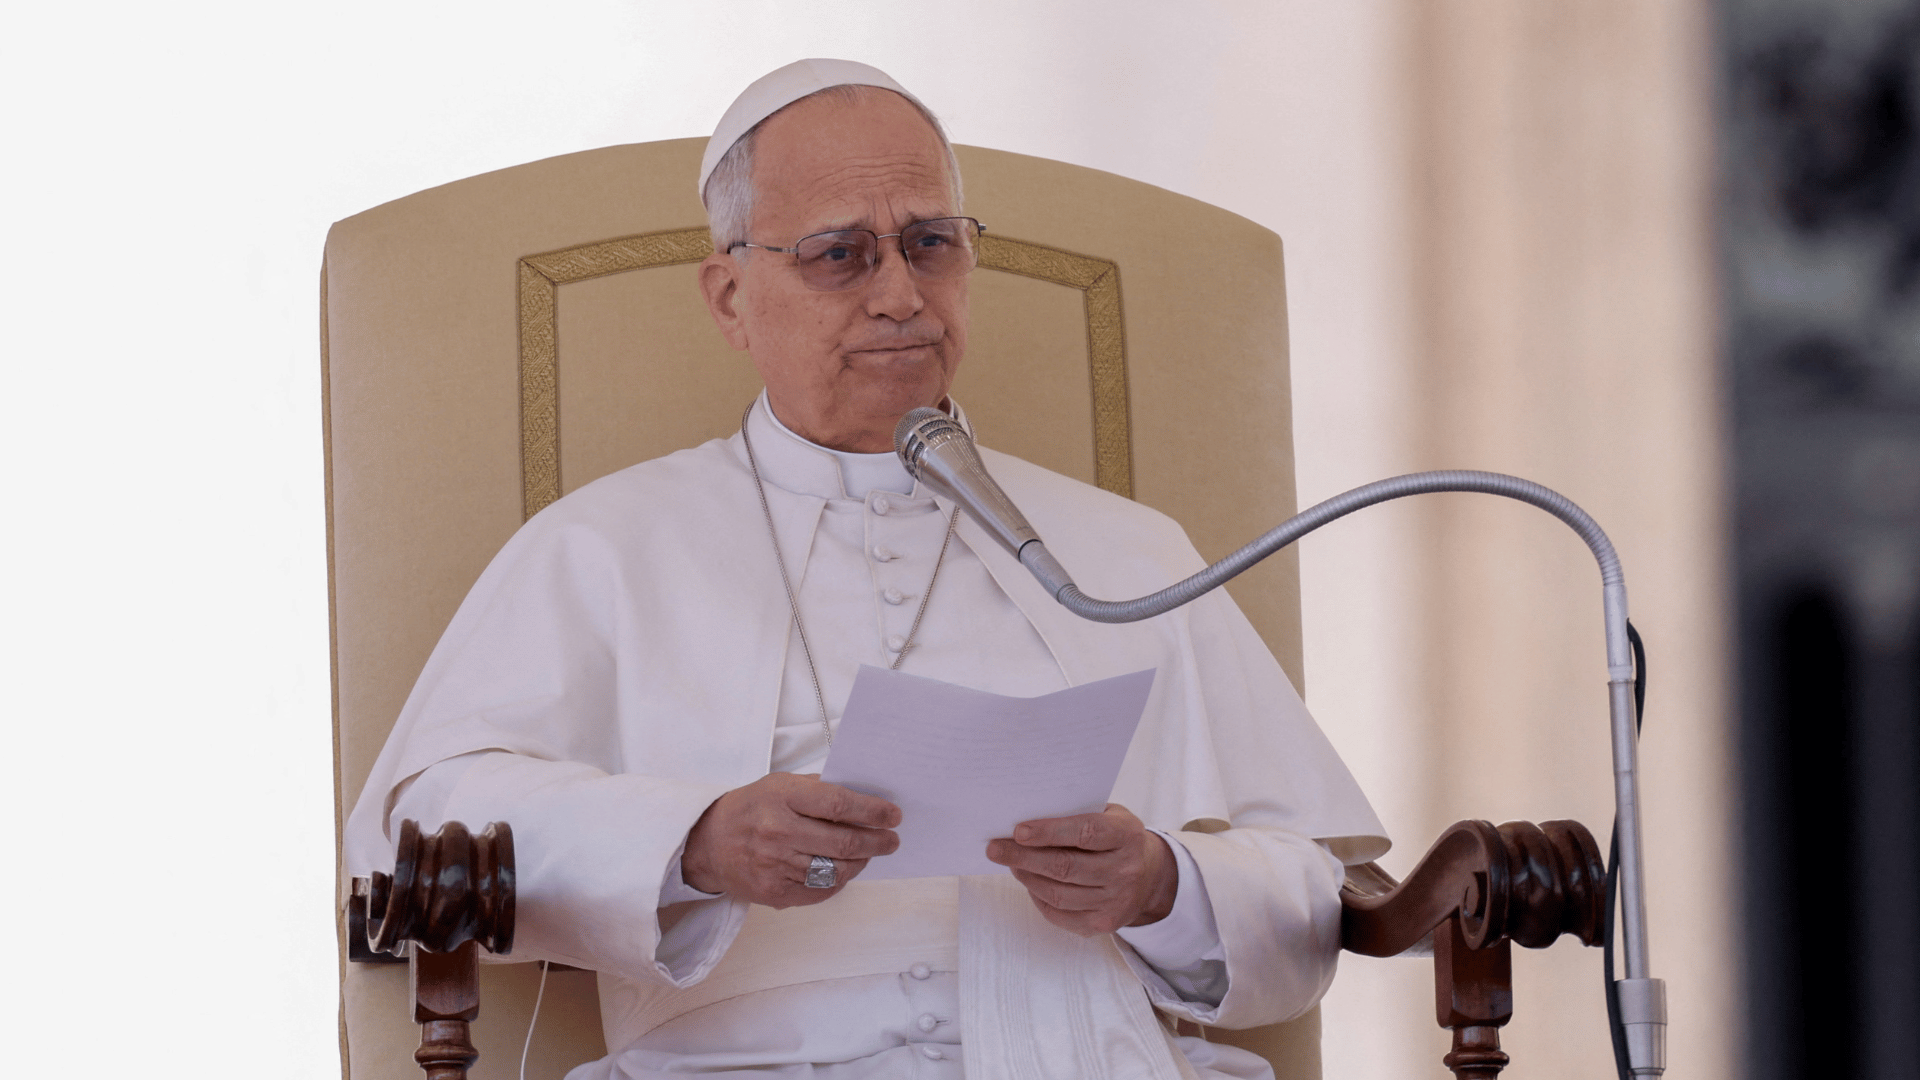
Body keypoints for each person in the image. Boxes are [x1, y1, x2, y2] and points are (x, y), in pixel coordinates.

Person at [345, 58, 1386, 1080]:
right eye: (838, 255)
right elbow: (417, 837)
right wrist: (694, 842)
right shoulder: (602, 547)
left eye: (931, 245)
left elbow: (1310, 890)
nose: (900, 296)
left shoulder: (1126, 549)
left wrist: (1164, 884)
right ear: (730, 298)